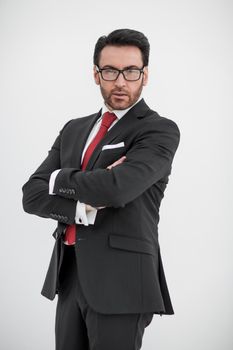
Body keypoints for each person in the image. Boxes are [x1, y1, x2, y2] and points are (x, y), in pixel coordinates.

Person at [22, 28, 180, 350]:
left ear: (145, 75)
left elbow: (116, 190)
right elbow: (32, 194)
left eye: (131, 71)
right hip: (68, 275)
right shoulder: (73, 129)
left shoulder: (158, 131)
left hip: (122, 282)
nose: (120, 81)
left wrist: (59, 179)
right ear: (96, 74)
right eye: (110, 71)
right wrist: (81, 206)